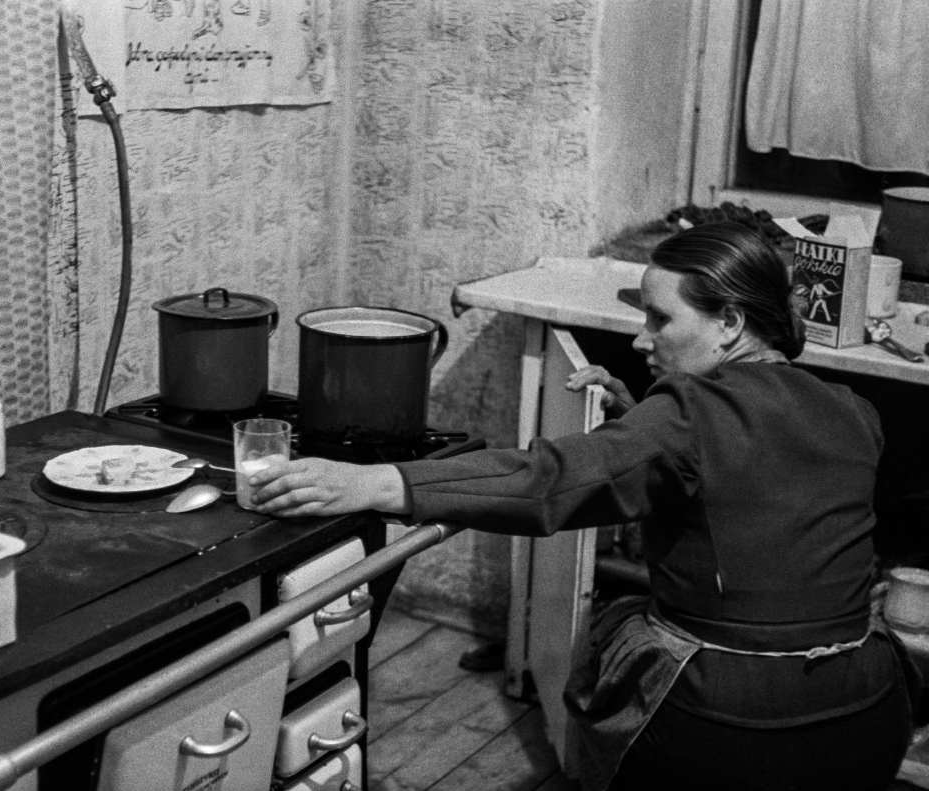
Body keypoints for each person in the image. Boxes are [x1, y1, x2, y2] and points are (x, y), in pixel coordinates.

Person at [250, 222, 918, 791]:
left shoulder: (686, 415)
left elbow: (548, 480)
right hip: (866, 713)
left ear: (731, 324)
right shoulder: (852, 409)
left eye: (661, 319)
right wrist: (641, 420)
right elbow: (755, 478)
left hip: (737, 728)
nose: (641, 337)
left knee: (618, 638)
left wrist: (378, 484)